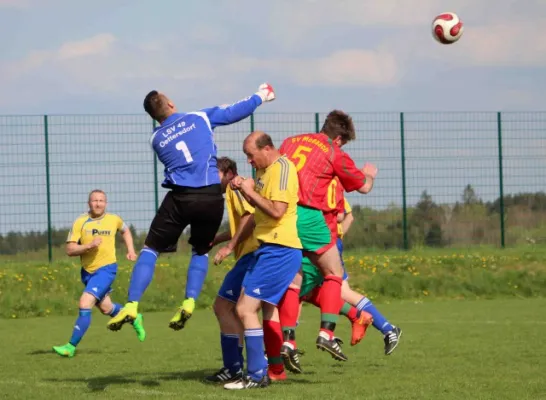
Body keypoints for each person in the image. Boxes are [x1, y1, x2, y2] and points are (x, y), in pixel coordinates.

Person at [106, 83, 276, 333]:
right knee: (200, 250)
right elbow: (233, 112)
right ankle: (189, 301)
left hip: (181, 197)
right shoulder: (199, 118)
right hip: (210, 195)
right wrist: (261, 96)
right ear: (171, 104)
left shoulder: (155, 139)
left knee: (151, 249)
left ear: (154, 117)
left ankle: (131, 304)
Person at [276, 110, 375, 362]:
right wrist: (370, 175)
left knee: (293, 281)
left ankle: (287, 341)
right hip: (308, 216)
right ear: (340, 138)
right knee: (334, 273)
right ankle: (327, 333)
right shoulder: (334, 152)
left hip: (281, 214)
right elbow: (363, 186)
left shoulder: (291, 141)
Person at [224, 132, 302, 390]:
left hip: (280, 248)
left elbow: (277, 211)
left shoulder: (282, 169)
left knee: (245, 310)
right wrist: (245, 191)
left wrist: (248, 190)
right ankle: (266, 369)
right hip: (266, 248)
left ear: (267, 148)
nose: (248, 161)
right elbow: (259, 210)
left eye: (251, 155)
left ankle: (257, 374)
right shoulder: (263, 172)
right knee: (250, 309)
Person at [53, 190, 143, 358]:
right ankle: (134, 317)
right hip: (87, 272)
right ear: (89, 203)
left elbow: (125, 230)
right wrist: (87, 246)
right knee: (106, 308)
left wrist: (131, 250)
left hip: (107, 269)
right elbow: (70, 249)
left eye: (101, 200)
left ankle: (70, 347)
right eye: (94, 200)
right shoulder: (80, 222)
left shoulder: (113, 219)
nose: (98, 203)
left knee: (84, 303)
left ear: (106, 203)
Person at [203, 157, 259, 384]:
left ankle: (235, 367)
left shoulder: (236, 187)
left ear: (228, 173)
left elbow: (250, 219)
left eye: (214, 173)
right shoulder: (234, 190)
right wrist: (218, 239)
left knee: (222, 306)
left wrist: (229, 247)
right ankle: (239, 366)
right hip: (252, 253)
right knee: (234, 310)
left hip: (251, 254)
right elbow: (240, 226)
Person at [333, 182, 403, 355]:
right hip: (326, 243)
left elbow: (345, 216)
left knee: (300, 290)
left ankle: (283, 347)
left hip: (323, 244)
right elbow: (349, 216)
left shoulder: (321, 180)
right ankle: (387, 329)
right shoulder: (327, 178)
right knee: (340, 293)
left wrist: (334, 236)